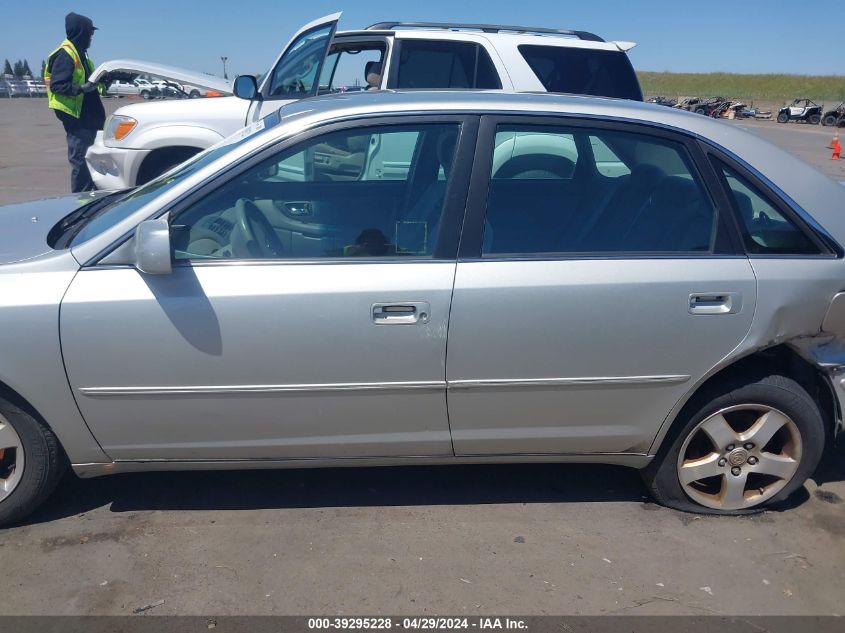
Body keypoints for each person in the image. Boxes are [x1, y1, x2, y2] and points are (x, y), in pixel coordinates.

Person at [44, 12, 106, 192]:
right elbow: (58, 85)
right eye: (90, 32)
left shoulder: (82, 55)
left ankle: (90, 194)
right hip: (77, 118)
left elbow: (91, 81)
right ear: (81, 32)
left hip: (89, 117)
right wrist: (81, 89)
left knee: (91, 158)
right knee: (80, 159)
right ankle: (80, 201)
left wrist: (104, 81)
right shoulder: (65, 54)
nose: (92, 36)